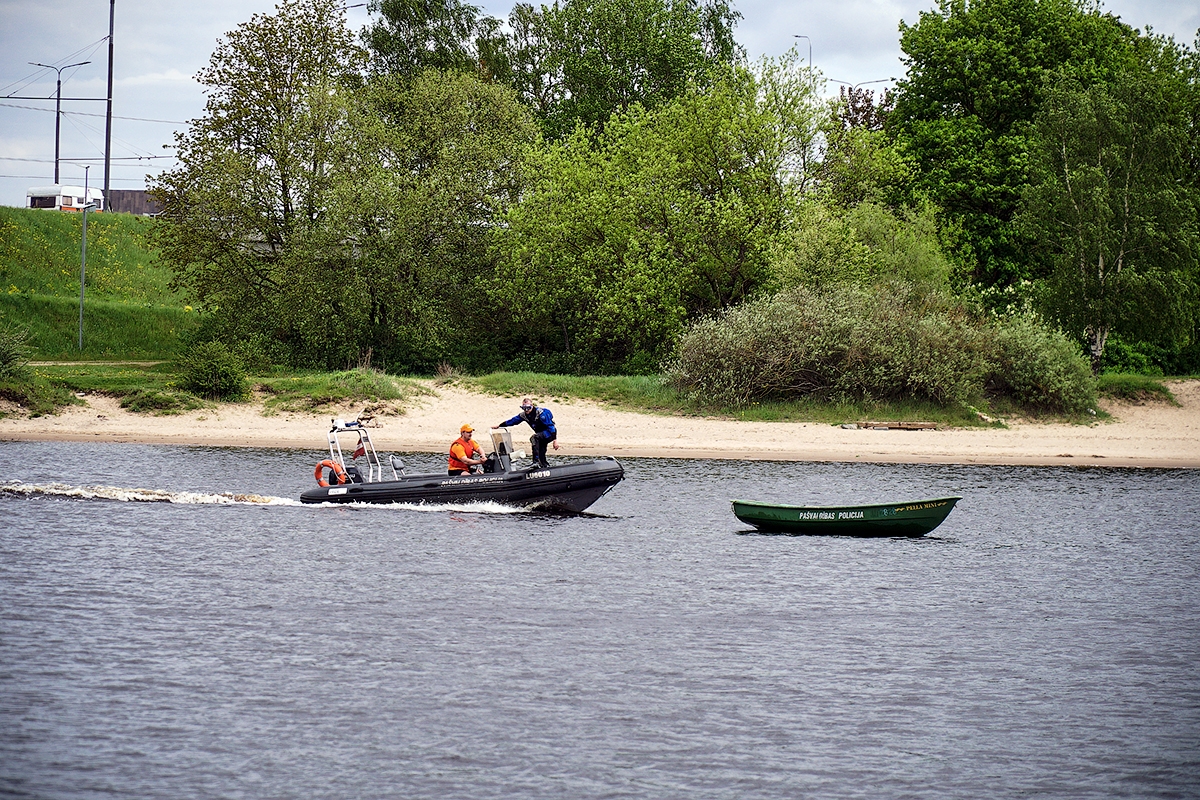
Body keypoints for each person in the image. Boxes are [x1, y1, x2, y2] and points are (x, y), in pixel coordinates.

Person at [498, 397, 559, 469]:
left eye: (528, 408)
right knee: (541, 449)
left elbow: (551, 426)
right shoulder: (523, 415)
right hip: (541, 435)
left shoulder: (541, 414)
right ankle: (544, 465)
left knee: (534, 438)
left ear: (532, 406)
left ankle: (535, 462)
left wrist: (555, 440)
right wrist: (500, 425)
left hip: (549, 433)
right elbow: (513, 421)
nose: (526, 410)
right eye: (524, 408)